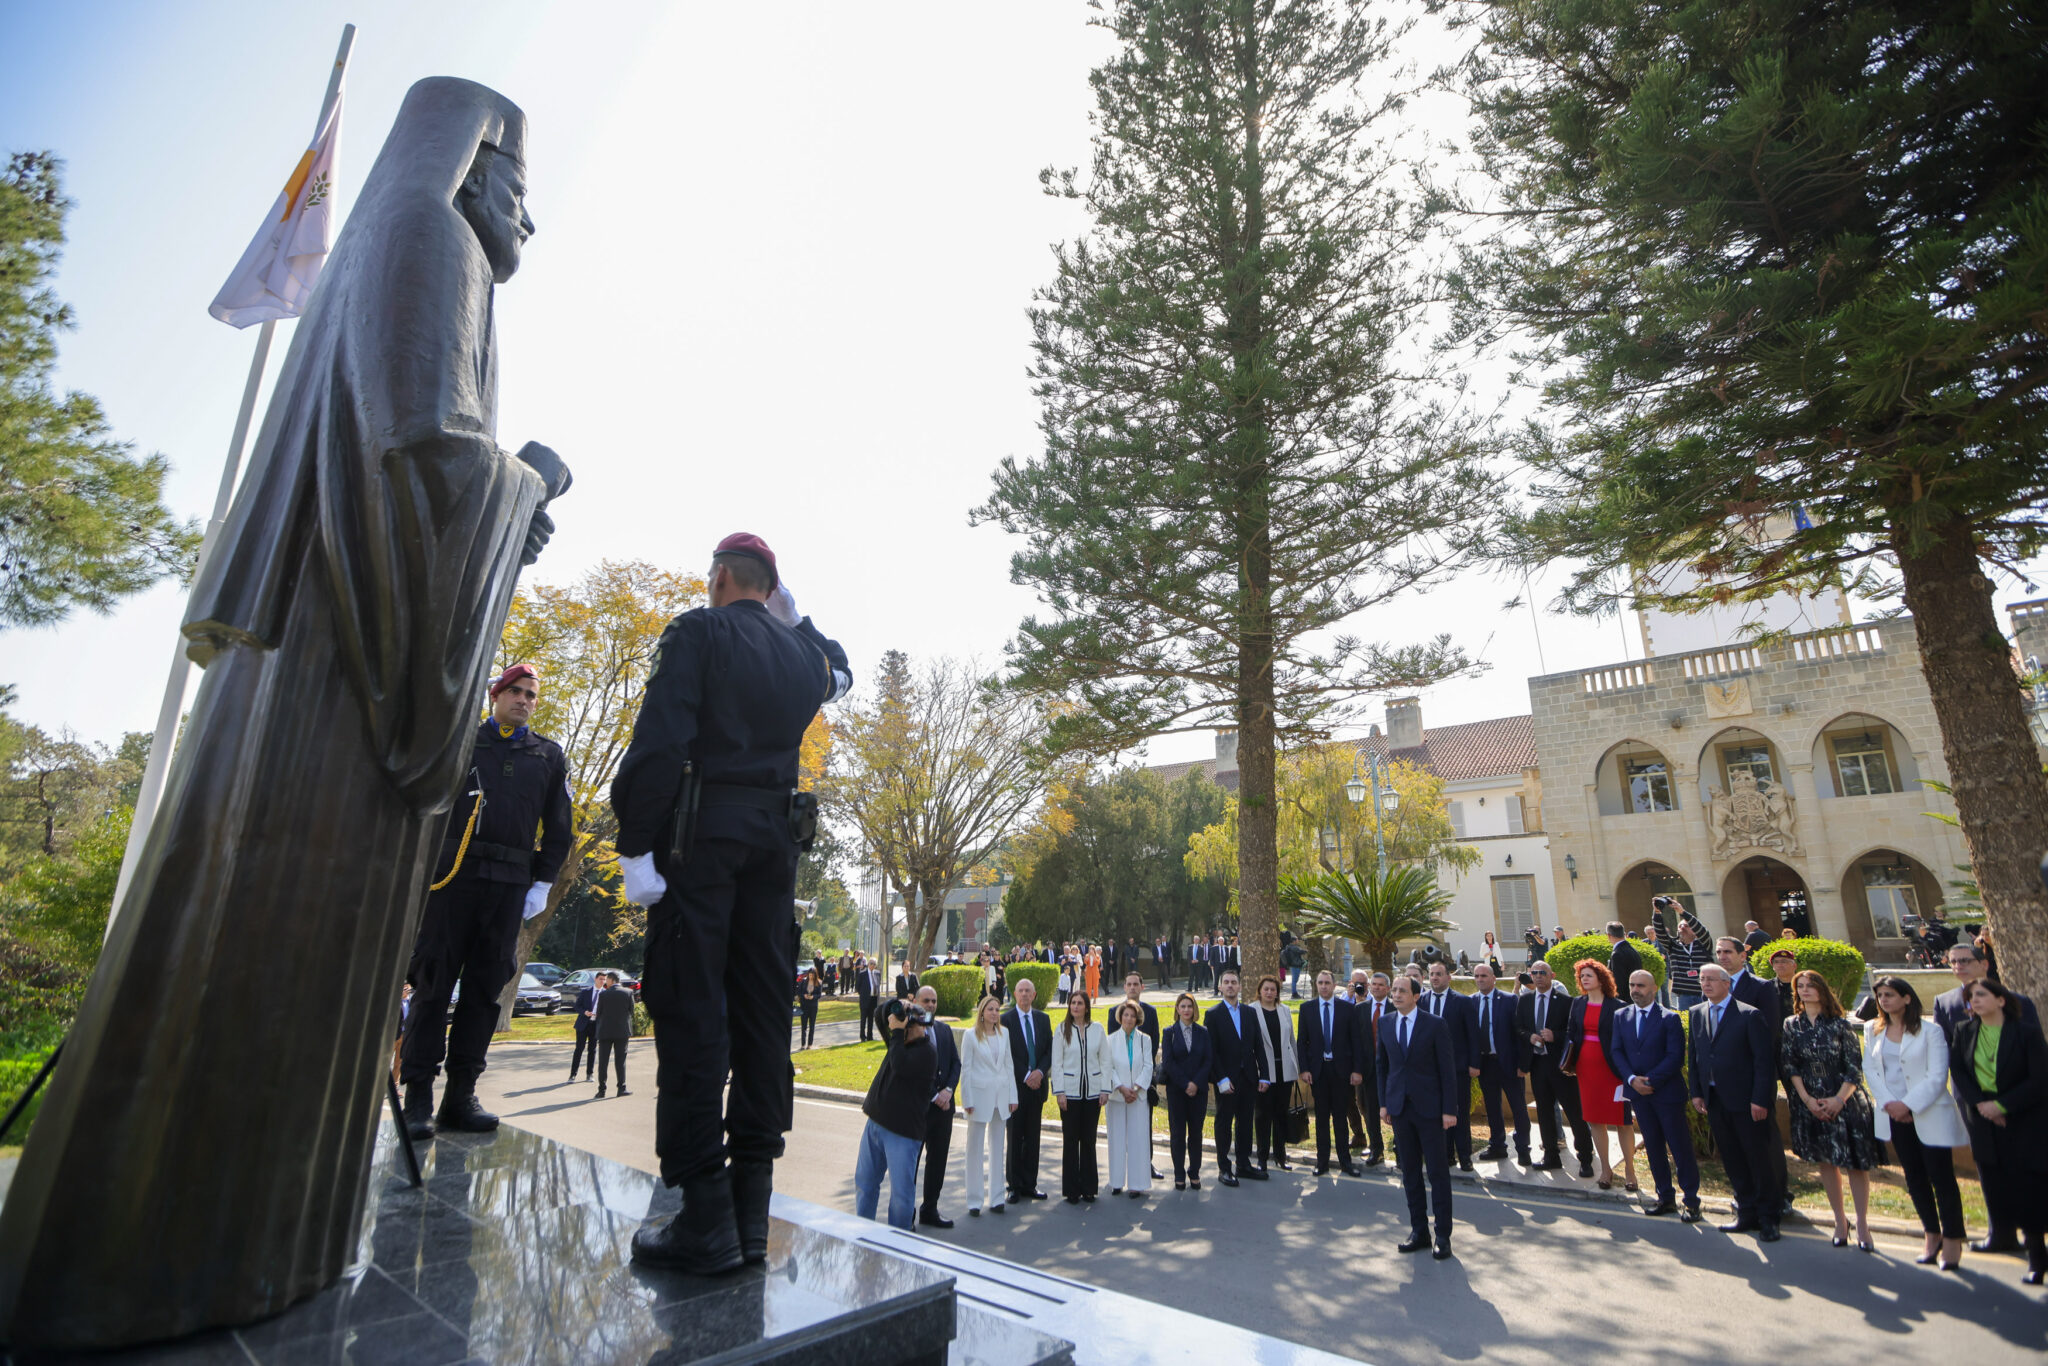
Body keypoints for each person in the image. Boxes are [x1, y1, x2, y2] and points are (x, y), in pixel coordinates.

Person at [610, 532, 849, 1273]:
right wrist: (795, 622)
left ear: (719, 579)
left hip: (700, 844)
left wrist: (634, 844)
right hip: (773, 854)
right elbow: (840, 669)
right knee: (759, 1011)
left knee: (691, 1009)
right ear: (770, 591)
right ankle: (752, 1212)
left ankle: (704, 1212)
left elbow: (659, 743)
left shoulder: (697, 632)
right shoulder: (802, 656)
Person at [400, 663, 575, 1140]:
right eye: (514, 691)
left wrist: (542, 883)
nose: (523, 700)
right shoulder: (462, 744)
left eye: (531, 695)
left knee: (484, 993)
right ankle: (418, 1096)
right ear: (495, 696)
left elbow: (560, 828)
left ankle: (461, 1097)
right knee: (433, 987)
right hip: (452, 879)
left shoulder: (548, 755)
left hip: (509, 887)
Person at [1865, 976, 1969, 1269]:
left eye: (1890, 994)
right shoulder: (1873, 1030)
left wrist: (1908, 1105)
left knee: (1942, 1178)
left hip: (1928, 1113)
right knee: (1915, 1178)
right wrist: (1890, 1104)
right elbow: (1871, 1071)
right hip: (1893, 1115)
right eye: (1880, 995)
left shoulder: (1930, 1031)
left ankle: (1952, 1239)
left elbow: (1937, 1076)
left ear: (1906, 998)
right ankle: (1931, 1234)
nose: (1884, 1000)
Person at [1951, 978, 2048, 1285]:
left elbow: (2039, 1079)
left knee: (2029, 1191)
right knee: (1996, 1184)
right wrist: (1983, 1106)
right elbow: (1960, 1072)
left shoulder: (2026, 1034)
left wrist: (2003, 1106)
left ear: (2001, 1000)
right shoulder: (1964, 1031)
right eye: (1970, 997)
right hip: (1983, 1121)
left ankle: (2037, 1259)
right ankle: (2003, 1236)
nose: (1974, 1001)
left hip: (2023, 1122)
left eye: (1981, 995)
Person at [1774, 969, 1874, 1248]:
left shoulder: (1840, 1024)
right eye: (1800, 986)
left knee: (1854, 1164)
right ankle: (1840, 1221)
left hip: (1844, 1100)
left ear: (1822, 990)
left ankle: (1863, 1224)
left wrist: (1838, 1100)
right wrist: (1807, 1100)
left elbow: (1854, 1068)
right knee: (1826, 1163)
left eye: (1810, 985)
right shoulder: (1792, 1024)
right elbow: (1790, 1065)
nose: (1805, 990)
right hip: (1810, 1101)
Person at [1689, 964, 1783, 1242]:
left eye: (1711, 980)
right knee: (1732, 1158)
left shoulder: (1749, 1014)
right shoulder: (1697, 1013)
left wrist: (1759, 1099)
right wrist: (1697, 1092)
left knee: (1758, 1158)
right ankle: (1746, 1211)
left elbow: (1763, 1062)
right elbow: (1695, 1057)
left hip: (1746, 1101)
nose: (1705, 984)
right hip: (1715, 1100)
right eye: (1702, 980)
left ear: (1726, 983)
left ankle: (1769, 1217)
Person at [1377, 974, 1458, 1259]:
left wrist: (1449, 1110)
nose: (1396, 995)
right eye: (1393, 991)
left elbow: (1448, 1071)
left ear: (1416, 996)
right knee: (1410, 1172)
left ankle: (1443, 1236)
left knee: (1437, 1173)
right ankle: (1419, 1231)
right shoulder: (1386, 1023)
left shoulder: (1435, 1025)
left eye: (1402, 991)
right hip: (1399, 1109)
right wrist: (1384, 1104)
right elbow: (1382, 1066)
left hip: (1431, 1110)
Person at [1610, 969, 1700, 1220]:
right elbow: (1616, 1051)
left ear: (1653, 988)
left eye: (1641, 985)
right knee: (1653, 1147)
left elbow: (1674, 1056)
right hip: (1639, 1095)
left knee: (1679, 1147)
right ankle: (1665, 1197)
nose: (1635, 990)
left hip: (1666, 1093)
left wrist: (1651, 1080)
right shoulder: (1621, 1016)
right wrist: (1631, 1080)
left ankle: (1691, 1201)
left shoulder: (1668, 1018)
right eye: (1632, 984)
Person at [1717, 935, 1791, 1216]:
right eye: (1719, 952)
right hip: (1725, 1079)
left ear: (1742, 956)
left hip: (1755, 1076)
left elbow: (1770, 1034)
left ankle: (1779, 1195)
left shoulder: (1760, 988)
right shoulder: (1712, 987)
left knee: (1764, 1139)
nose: (1723, 957)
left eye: (1728, 952)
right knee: (1736, 1142)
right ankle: (1746, 1197)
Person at [856, 1001, 937, 1230]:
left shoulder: (927, 1052)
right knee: (865, 1182)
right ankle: (863, 1231)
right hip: (875, 1123)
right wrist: (897, 1004)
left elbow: (900, 1065)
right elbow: (878, 1014)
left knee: (901, 1195)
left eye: (907, 1028)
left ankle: (899, 1240)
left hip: (902, 1133)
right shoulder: (897, 1042)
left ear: (917, 1028)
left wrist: (899, 1032)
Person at [1563, 959, 1637, 1192]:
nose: (1584, 979)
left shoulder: (1618, 1006)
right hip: (1587, 1068)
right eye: (1582, 976)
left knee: (1623, 1122)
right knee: (1595, 1120)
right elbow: (1571, 1033)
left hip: (1613, 1070)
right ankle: (1606, 1170)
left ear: (1601, 979)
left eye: (1589, 975)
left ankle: (1630, 1171)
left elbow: (1627, 1040)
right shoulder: (1578, 1003)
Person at [1516, 960, 1593, 1176]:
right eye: (1534, 973)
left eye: (1543, 972)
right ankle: (1551, 1155)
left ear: (1552, 975)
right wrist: (1529, 1036)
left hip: (1560, 1065)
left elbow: (1575, 1032)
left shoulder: (1566, 1002)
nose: (1538, 976)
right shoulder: (1526, 1000)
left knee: (1574, 1112)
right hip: (1538, 1064)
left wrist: (1555, 1036)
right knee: (1544, 1111)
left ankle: (1585, 1158)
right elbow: (1519, 1027)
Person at [1297, 970, 1363, 1177]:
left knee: (1340, 1118)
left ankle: (1345, 1162)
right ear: (1316, 985)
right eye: (1320, 983)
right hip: (1318, 1071)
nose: (1324, 986)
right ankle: (1322, 1162)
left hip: (1341, 1071)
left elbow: (1356, 1042)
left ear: (1334, 985)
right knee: (1322, 1117)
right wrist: (1304, 1069)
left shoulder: (1347, 1009)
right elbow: (1302, 1042)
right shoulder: (1307, 1009)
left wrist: (1356, 1070)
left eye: (1327, 983)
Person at [959, 995, 1018, 1217]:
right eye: (990, 1009)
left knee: (997, 1147)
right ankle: (974, 1200)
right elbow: (966, 1070)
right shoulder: (970, 1036)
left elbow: (1008, 1065)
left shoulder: (1005, 1034)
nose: (994, 1013)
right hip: (979, 1097)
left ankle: (996, 1197)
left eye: (997, 1009)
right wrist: (967, 1100)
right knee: (974, 1150)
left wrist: (1013, 1096)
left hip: (1001, 1097)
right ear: (982, 1012)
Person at [1207, 970, 1267, 1184]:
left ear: (1240, 987)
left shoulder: (1250, 1013)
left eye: (1234, 982)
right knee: (1224, 1124)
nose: (1230, 986)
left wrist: (1265, 1076)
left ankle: (1243, 1164)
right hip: (1226, 1081)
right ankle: (1224, 1168)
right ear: (1221, 987)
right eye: (1226, 983)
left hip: (1249, 1078)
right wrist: (1221, 1078)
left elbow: (1258, 1046)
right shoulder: (1213, 1015)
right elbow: (1212, 1052)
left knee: (1244, 1123)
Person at [1468, 963, 1530, 1166]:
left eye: (1484, 976)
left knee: (1519, 1108)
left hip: (1509, 1064)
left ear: (1494, 978)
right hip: (1485, 1065)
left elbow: (1519, 1034)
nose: (1480, 979)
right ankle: (1497, 1146)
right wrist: (1473, 1063)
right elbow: (1470, 1037)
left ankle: (1523, 1149)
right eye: (1476, 976)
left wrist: (1523, 1064)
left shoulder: (1509, 1000)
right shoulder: (1471, 1002)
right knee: (1492, 1108)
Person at [1052, 990, 1110, 1203]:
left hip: (1093, 1094)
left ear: (1087, 1006)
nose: (1075, 1006)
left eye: (1079, 1003)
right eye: (1072, 1003)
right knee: (1070, 1141)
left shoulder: (1098, 1029)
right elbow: (1056, 1064)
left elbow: (1105, 1061)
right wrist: (1060, 1092)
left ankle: (1088, 1188)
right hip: (1070, 1094)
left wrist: (1105, 1089)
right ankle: (1071, 1190)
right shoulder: (1061, 1030)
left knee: (1089, 1140)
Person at [1419, 961, 1477, 1171]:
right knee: (1437, 1114)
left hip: (1458, 1069)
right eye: (1432, 974)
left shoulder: (1462, 1002)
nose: (1434, 978)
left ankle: (1465, 1156)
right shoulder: (1421, 1001)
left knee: (1459, 1114)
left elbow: (1473, 1035)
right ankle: (1446, 1156)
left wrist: (1474, 1064)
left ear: (1448, 977)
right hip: (1430, 1071)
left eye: (1439, 974)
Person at [1001, 978, 1054, 1204]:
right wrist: (1025, 1075)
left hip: (1037, 1087)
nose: (1024, 994)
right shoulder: (1005, 1020)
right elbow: (1006, 1054)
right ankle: (1014, 1185)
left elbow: (1048, 1051)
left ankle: (1030, 1184)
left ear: (1034, 995)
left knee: (1033, 1138)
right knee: (1014, 1137)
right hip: (1015, 1088)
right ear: (1015, 994)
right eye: (1020, 991)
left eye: (1028, 991)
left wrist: (1040, 1073)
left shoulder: (1043, 1019)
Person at [1153, 992, 1212, 1190]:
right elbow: (1168, 1061)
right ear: (1177, 1010)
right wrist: (1185, 1084)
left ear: (1194, 1009)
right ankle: (1179, 1173)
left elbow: (1208, 1060)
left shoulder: (1203, 1032)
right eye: (1183, 1006)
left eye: (1190, 1006)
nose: (1186, 1010)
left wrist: (1195, 1083)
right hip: (1177, 1091)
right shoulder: (1169, 1032)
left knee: (1196, 1133)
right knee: (1177, 1133)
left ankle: (1194, 1172)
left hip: (1199, 1091)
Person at [914, 984, 960, 1230]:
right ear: (916, 1001)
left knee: (938, 1160)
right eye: (926, 1000)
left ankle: (930, 1209)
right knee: (912, 1163)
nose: (930, 1005)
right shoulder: (910, 1031)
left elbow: (955, 1063)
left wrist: (948, 1091)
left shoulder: (944, 1030)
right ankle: (905, 1215)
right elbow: (914, 1070)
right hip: (920, 1109)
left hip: (944, 1110)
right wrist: (934, 1095)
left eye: (933, 1001)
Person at [1116, 971, 1166, 1180]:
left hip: (1144, 1080)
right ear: (1124, 987)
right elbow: (1114, 1045)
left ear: (1142, 987)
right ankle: (1123, 1164)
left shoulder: (1151, 1012)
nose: (1133, 987)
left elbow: (1153, 1044)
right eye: (1129, 984)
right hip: (1120, 1082)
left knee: (1144, 1125)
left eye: (1136, 984)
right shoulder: (1114, 1012)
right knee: (1122, 1126)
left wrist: (1141, 1079)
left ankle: (1147, 1163)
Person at [1252, 975, 1301, 1172]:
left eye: (1273, 989)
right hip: (1263, 1072)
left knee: (1281, 1115)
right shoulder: (1251, 1010)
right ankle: (1262, 1157)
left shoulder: (1285, 1010)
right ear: (1260, 990)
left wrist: (1297, 1067)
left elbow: (1291, 1040)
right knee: (1263, 1116)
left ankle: (1281, 1156)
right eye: (1266, 989)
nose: (1270, 992)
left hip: (1284, 1072)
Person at [1105, 1002, 1155, 1199]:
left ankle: (1137, 1183)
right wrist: (1122, 1088)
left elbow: (1149, 1066)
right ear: (1120, 1017)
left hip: (1138, 1096)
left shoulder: (1145, 1040)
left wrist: (1135, 1088)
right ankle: (1116, 1182)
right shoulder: (1109, 1040)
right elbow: (1108, 1067)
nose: (1129, 1019)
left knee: (1138, 1139)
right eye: (1126, 1015)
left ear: (1138, 1019)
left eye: (1132, 1016)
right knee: (1116, 1138)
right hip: (1117, 1096)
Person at [1346, 971, 1389, 1165]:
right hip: (1369, 1070)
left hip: (1393, 1070)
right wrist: (1357, 1069)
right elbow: (1354, 1042)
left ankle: (1401, 1147)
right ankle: (1376, 1149)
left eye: (1381, 985)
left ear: (1388, 988)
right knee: (1370, 1112)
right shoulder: (1360, 1009)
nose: (1377, 987)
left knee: (1398, 1111)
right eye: (1374, 984)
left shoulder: (1396, 1008)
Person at [593, 971, 633, 1098]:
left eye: (607, 980)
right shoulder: (628, 992)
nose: (605, 982)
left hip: (605, 1031)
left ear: (611, 980)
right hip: (622, 1031)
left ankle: (602, 1090)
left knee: (603, 1061)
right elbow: (631, 1011)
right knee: (620, 1061)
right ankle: (621, 1087)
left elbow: (599, 1013)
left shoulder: (604, 994)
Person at [1664, 916, 1709, 1011]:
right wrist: (1657, 912)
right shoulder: (1673, 946)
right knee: (1686, 1023)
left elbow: (1703, 931)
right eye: (1680, 926)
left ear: (1694, 930)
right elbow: (1660, 933)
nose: (1683, 927)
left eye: (1686, 926)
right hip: (1684, 994)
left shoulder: (1704, 944)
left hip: (1704, 992)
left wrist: (1682, 912)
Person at [570, 972, 599, 1083]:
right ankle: (573, 1074)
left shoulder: (605, 993)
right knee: (579, 1049)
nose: (602, 981)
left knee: (592, 1050)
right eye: (600, 979)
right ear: (595, 979)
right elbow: (577, 1006)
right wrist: (585, 1012)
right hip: (583, 1024)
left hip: (595, 1025)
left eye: (604, 979)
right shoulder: (586, 991)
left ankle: (590, 1074)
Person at [1605, 922, 1642, 986]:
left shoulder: (1617, 954)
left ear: (1608, 935)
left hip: (1624, 994)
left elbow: (1619, 982)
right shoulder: (1633, 950)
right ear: (1624, 934)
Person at [796, 966, 823, 1050]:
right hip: (804, 1006)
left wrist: (813, 997)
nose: (811, 977)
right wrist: (803, 995)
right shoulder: (803, 982)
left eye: (812, 975)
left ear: (815, 975)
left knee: (812, 1025)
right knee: (803, 1026)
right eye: (810, 975)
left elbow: (819, 995)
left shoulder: (819, 983)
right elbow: (798, 992)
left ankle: (810, 1044)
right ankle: (803, 1044)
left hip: (813, 1007)